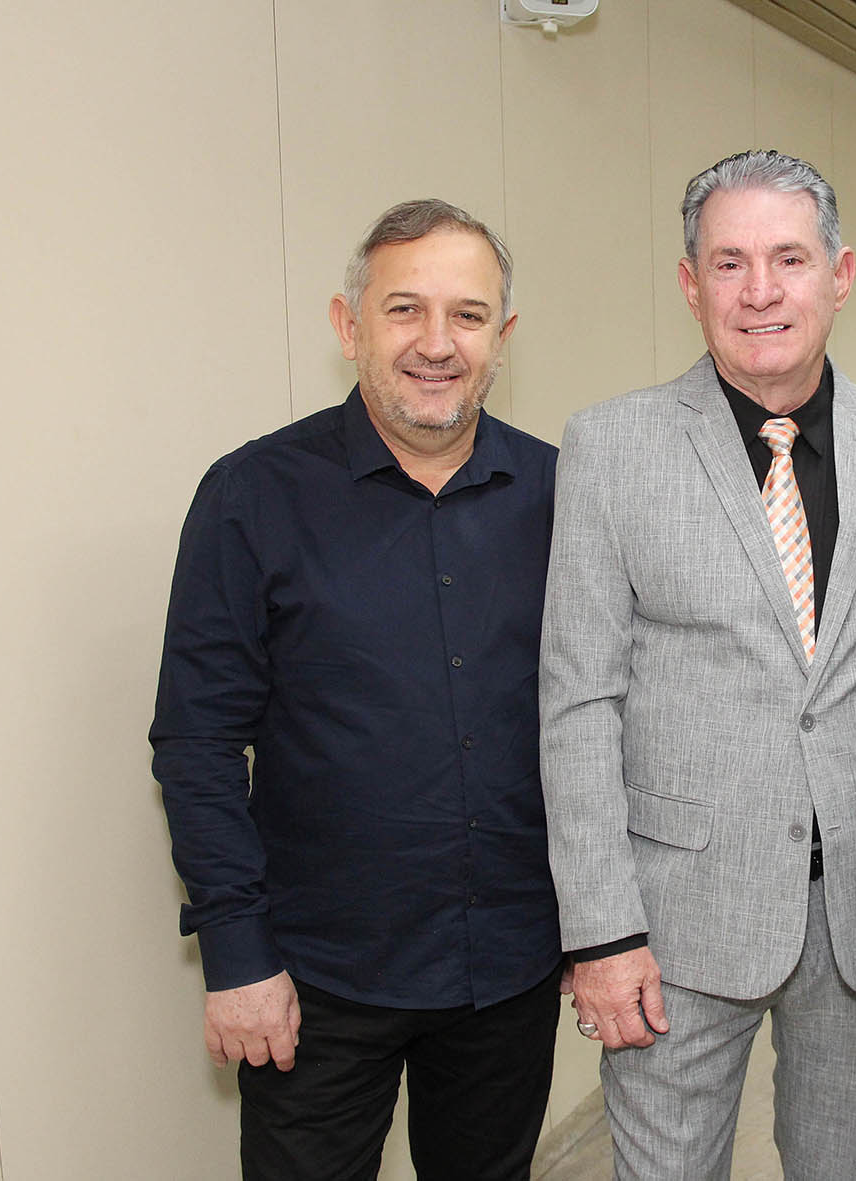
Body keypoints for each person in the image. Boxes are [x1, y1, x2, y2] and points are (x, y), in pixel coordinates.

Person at [539, 149, 856, 1180]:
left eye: (788, 258)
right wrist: (600, 933)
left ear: (840, 273)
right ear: (690, 284)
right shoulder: (609, 448)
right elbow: (577, 704)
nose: (760, 290)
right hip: (673, 925)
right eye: (728, 263)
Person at [150, 199, 561, 1180]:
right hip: (316, 979)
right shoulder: (252, 495)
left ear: (501, 337)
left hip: (508, 967)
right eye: (403, 308)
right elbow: (198, 740)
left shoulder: (565, 495)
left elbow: (603, 721)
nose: (437, 343)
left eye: (467, 315)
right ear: (349, 326)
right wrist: (236, 952)